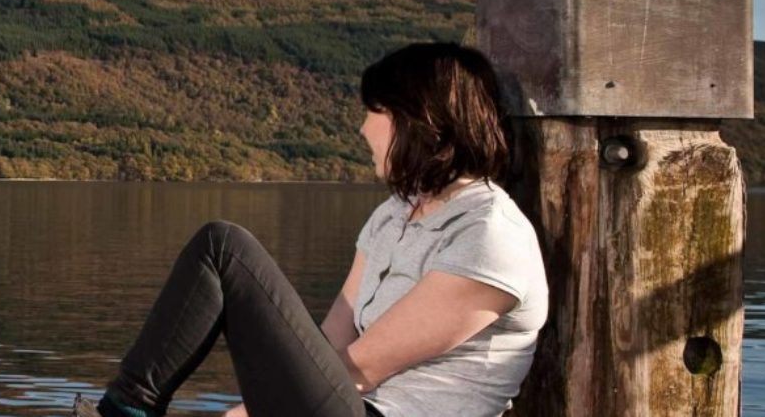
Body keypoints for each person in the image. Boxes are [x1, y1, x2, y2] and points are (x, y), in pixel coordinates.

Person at [75, 43, 547, 417]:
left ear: (419, 122)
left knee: (224, 249)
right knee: (218, 252)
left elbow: (360, 370)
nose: (364, 128)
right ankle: (126, 409)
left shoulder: (489, 235)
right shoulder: (393, 215)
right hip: (345, 406)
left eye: (375, 110)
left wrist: (251, 412)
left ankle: (125, 410)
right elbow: (327, 347)